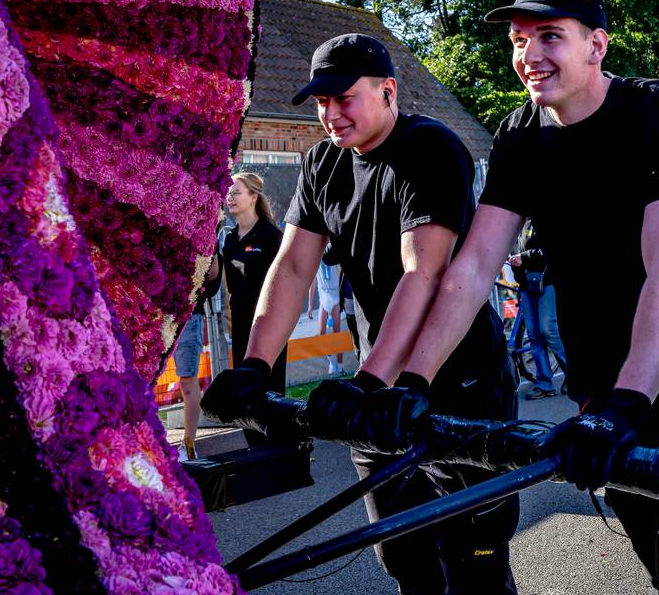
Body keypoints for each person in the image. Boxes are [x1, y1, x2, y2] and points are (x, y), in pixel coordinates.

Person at [353, 0, 659, 593]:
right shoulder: (521, 135)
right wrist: (412, 380)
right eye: (519, 39)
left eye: (549, 36)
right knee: (654, 555)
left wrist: (626, 405)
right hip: (599, 392)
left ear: (596, 45)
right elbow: (472, 269)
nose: (529, 55)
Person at [202, 33, 519, 594]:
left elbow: (423, 271)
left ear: (387, 90)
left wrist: (371, 382)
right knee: (404, 557)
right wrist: (254, 367)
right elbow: (294, 266)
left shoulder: (431, 148)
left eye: (343, 98)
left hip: (457, 379)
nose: (330, 115)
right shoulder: (323, 162)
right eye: (322, 103)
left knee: (475, 563)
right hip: (378, 386)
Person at [220, 172, 286, 395]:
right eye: (228, 192)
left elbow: (282, 282)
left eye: (236, 192)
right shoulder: (229, 239)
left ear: (253, 197)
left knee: (269, 394)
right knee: (244, 393)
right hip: (240, 324)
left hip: (268, 324)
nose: (230, 197)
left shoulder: (271, 235)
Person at [506, 220, 566, 399]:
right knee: (534, 336)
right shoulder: (512, 226)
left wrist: (522, 257)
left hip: (546, 283)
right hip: (526, 285)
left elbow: (549, 250)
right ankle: (544, 384)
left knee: (548, 331)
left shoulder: (537, 222)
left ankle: (577, 375)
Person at [172, 253, 220, 460]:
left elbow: (213, 279)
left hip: (188, 315)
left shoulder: (204, 235)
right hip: (157, 313)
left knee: (188, 382)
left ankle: (189, 446)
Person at [314, 255, 345, 374]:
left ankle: (341, 366)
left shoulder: (332, 253)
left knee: (337, 333)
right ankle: (333, 362)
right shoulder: (315, 257)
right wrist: (311, 306)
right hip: (324, 298)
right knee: (321, 334)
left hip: (335, 297)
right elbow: (313, 281)